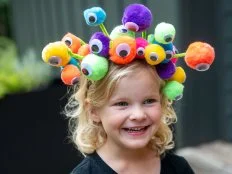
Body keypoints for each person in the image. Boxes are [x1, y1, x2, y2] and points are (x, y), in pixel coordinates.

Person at [64, 60, 195, 174]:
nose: (138, 115)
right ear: (93, 111)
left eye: (149, 101)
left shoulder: (178, 168)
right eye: (122, 104)